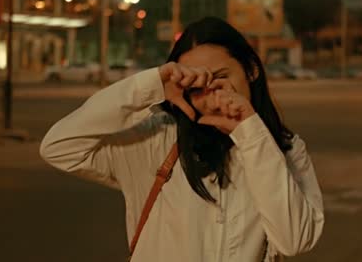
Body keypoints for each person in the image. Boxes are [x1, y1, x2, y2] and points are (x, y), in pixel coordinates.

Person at [40, 17, 324, 261]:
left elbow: (295, 240)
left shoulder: (284, 149)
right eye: (196, 84)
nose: (212, 93)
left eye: (222, 76)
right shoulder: (156, 139)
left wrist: (249, 131)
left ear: (251, 69)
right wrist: (150, 86)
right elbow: (59, 147)